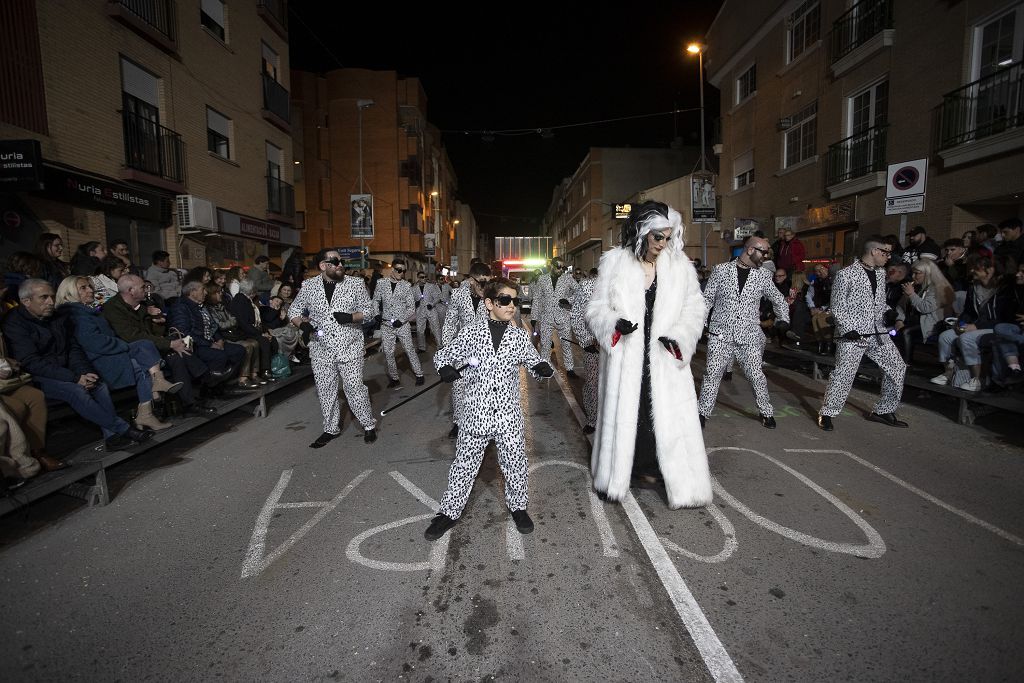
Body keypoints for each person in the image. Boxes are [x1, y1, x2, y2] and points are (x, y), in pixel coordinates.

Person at [585, 200, 712, 508]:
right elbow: (595, 308)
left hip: (665, 358)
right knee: (630, 413)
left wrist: (680, 337)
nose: (663, 244)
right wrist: (613, 324)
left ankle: (675, 480)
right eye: (658, 237)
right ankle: (615, 477)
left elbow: (696, 309)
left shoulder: (679, 266)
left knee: (664, 417)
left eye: (668, 237)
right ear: (641, 231)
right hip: (627, 356)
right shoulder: (614, 262)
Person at [424, 278, 553, 541]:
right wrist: (445, 369)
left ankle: (518, 508)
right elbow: (443, 355)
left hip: (508, 415)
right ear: (489, 303)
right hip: (475, 414)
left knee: (515, 463)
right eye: (505, 300)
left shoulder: (518, 336)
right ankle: (448, 513)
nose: (511, 306)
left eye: (514, 301)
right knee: (463, 466)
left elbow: (533, 362)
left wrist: (542, 369)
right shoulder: (471, 332)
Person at [3, 279, 154, 451]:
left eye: (52, 297)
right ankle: (124, 429)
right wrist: (74, 378)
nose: (51, 302)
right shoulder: (15, 322)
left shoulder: (56, 317)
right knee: (76, 391)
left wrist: (84, 372)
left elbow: (73, 349)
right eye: (43, 298)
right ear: (26, 301)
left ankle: (112, 438)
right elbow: (31, 362)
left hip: (65, 369)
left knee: (98, 384)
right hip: (39, 376)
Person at [56, 276, 180, 431]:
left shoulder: (87, 311)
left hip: (110, 353)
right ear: (69, 292)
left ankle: (153, 393)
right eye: (83, 288)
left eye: (89, 286)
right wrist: (123, 345)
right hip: (100, 360)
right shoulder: (77, 315)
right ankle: (153, 396)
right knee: (143, 359)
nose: (90, 290)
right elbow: (95, 343)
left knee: (145, 353)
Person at [699, 236, 790, 429]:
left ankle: (766, 412)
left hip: (749, 335)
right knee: (712, 374)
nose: (766, 256)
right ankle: (702, 413)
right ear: (750, 250)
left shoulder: (763, 275)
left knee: (756, 376)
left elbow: (778, 299)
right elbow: (707, 299)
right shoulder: (721, 270)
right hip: (720, 333)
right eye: (764, 252)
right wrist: (700, 324)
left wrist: (783, 319)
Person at [288, 249, 378, 446]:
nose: (340, 265)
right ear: (323, 265)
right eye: (335, 261)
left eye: (341, 261)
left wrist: (352, 317)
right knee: (326, 390)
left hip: (350, 346)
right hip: (321, 348)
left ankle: (368, 425)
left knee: (354, 387)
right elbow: (293, 310)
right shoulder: (309, 286)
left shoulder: (355, 284)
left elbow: (370, 311)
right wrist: (302, 325)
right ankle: (330, 428)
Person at [817, 237, 908, 431]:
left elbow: (878, 301)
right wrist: (847, 329)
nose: (888, 257)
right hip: (853, 334)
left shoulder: (881, 273)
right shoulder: (845, 275)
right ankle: (828, 412)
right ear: (874, 251)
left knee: (897, 367)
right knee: (843, 374)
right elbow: (837, 307)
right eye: (885, 252)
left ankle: (884, 410)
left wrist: (888, 310)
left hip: (877, 333)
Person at [103, 274, 216, 417]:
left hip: (149, 347)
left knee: (177, 356)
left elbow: (152, 333)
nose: (147, 290)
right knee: (175, 352)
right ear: (131, 290)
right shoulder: (114, 308)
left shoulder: (141, 306)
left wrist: (158, 322)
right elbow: (133, 337)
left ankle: (189, 403)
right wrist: (169, 343)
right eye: (143, 287)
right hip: (131, 351)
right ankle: (206, 378)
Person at [930, 253, 1017, 392]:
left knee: (967, 338)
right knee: (945, 337)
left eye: (975, 268)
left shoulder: (1004, 289)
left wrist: (976, 326)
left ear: (989, 270)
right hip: (975, 326)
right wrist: (961, 323)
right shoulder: (974, 287)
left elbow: (1005, 318)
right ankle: (948, 372)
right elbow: (968, 311)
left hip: (996, 328)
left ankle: (977, 379)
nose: (971, 271)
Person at [0, 324, 65, 472]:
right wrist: (5, 364)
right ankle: (13, 463)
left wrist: (7, 361)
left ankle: (38, 452)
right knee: (17, 407)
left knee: (35, 396)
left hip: (5, 383)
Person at [441, 261, 491, 438]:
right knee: (458, 387)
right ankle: (458, 422)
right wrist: (447, 356)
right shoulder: (458, 295)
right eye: (481, 282)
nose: (484, 287)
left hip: (486, 351)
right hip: (463, 350)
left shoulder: (490, 297)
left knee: (485, 388)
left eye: (488, 282)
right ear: (471, 280)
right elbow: (449, 324)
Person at [169, 281, 246, 383]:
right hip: (197, 345)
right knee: (219, 356)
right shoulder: (181, 307)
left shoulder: (202, 306)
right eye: (203, 290)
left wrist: (219, 340)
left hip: (210, 341)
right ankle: (209, 387)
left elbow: (213, 326)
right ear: (193, 292)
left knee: (239, 350)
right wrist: (210, 344)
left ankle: (226, 383)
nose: (206, 292)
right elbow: (185, 333)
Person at [372, 258, 424, 388]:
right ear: (393, 269)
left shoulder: (406, 285)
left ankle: (419, 374)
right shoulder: (381, 283)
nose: (402, 273)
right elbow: (375, 301)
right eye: (399, 270)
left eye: (404, 271)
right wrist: (376, 314)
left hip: (402, 324)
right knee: (389, 352)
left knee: (409, 350)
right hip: (386, 324)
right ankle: (394, 378)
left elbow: (411, 307)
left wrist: (401, 320)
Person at [894, 259, 954, 364]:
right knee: (890, 329)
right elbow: (900, 305)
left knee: (906, 331)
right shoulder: (915, 286)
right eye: (912, 273)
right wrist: (899, 319)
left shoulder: (937, 288)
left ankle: (906, 362)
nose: (913, 276)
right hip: (913, 321)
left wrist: (912, 294)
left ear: (928, 274)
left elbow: (925, 308)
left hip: (931, 324)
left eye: (917, 273)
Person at [533, 258, 579, 377]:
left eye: (563, 267)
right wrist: (534, 317)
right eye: (558, 266)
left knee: (566, 344)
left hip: (563, 317)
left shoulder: (567, 278)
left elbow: (579, 291)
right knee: (545, 344)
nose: (561, 270)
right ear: (551, 266)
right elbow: (537, 298)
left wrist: (568, 300)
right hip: (546, 317)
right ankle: (544, 367)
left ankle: (570, 369)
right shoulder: (542, 279)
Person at [229, 279, 279, 386]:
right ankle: (263, 371)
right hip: (244, 332)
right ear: (251, 291)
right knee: (263, 341)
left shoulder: (248, 300)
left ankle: (263, 371)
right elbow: (243, 323)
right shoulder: (240, 300)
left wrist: (265, 331)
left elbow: (258, 320)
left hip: (252, 330)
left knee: (271, 339)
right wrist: (260, 333)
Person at [570, 267, 599, 434]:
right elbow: (577, 314)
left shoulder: (622, 285)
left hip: (618, 349)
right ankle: (593, 419)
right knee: (592, 384)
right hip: (593, 348)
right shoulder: (587, 286)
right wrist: (585, 340)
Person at [805, 263, 835, 355]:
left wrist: (822, 308)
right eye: (817, 271)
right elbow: (809, 295)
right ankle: (821, 342)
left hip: (832, 307)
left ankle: (829, 343)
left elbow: (833, 298)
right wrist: (812, 307)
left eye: (821, 269)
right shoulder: (816, 282)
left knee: (822, 318)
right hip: (821, 307)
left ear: (826, 269)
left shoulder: (832, 280)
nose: (819, 272)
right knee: (815, 318)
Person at [412, 271, 443, 352]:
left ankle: (440, 346)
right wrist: (415, 303)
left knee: (436, 328)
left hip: (431, 310)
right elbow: (411, 300)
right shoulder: (413, 288)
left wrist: (432, 304)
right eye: (422, 277)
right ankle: (421, 347)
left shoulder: (431, 286)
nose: (424, 278)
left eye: (425, 276)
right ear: (418, 278)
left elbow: (438, 297)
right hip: (420, 311)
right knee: (420, 330)